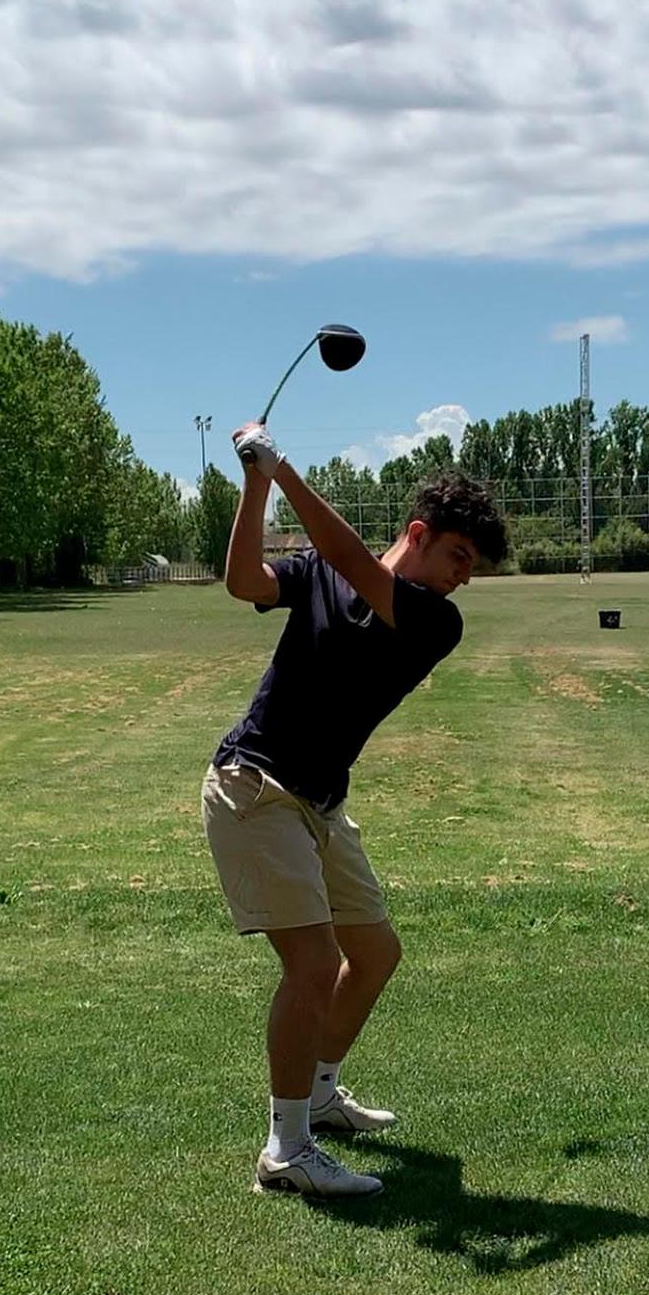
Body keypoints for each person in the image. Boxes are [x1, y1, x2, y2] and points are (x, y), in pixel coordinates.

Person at [202, 421, 509, 1202]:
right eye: (458, 557)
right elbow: (243, 582)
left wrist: (284, 467)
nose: (464, 577)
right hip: (256, 788)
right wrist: (256, 484)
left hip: (320, 804)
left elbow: (349, 558)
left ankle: (323, 1093)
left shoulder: (436, 620)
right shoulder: (316, 574)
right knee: (311, 965)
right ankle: (287, 1147)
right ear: (419, 533)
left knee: (373, 954)